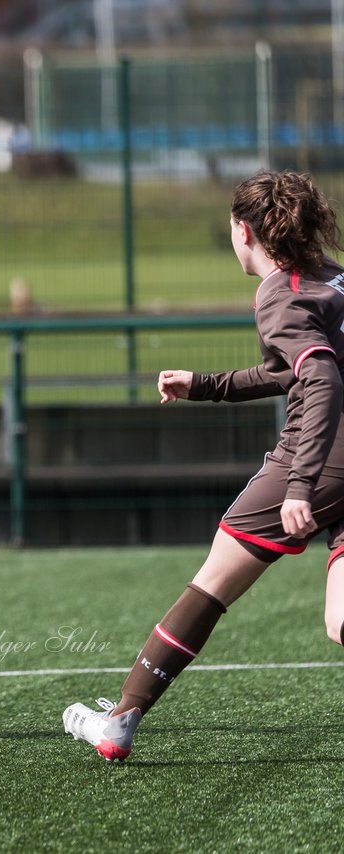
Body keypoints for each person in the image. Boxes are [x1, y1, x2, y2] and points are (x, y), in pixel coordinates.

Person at [62, 169, 344, 761]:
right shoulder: (332, 278)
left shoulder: (280, 292)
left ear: (243, 231)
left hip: (325, 456)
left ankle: (119, 722)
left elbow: (317, 376)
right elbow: (293, 367)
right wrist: (207, 385)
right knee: (341, 620)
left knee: (213, 581)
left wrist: (300, 484)